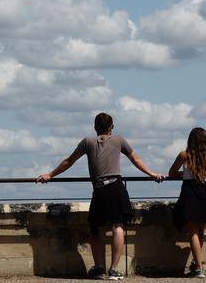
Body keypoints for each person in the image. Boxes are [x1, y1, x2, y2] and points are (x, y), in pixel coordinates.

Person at [36, 112, 163, 280]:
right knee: (118, 226)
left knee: (95, 229)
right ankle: (114, 269)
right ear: (111, 127)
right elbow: (136, 159)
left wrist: (51, 174)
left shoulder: (87, 142)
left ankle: (99, 268)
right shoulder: (119, 140)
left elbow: (69, 161)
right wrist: (152, 174)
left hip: (99, 189)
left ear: (95, 127)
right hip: (116, 187)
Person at [168, 127, 206, 279]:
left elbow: (171, 173)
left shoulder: (184, 155)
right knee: (200, 231)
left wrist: (184, 174)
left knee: (193, 232)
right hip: (203, 193)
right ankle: (196, 265)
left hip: (189, 193)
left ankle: (198, 267)